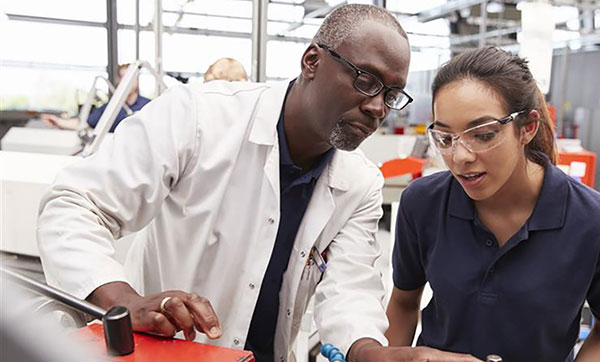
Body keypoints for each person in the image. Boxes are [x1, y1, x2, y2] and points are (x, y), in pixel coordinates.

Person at [38, 4, 475, 362]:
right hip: (166, 353)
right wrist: (124, 301)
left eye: (392, 94)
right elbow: (75, 204)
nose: (378, 107)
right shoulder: (198, 118)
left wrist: (370, 351)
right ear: (312, 61)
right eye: (366, 80)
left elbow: (350, 292)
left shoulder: (359, 183)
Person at [386, 47, 600, 362]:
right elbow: (403, 302)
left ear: (528, 127)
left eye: (483, 134)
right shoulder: (423, 203)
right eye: (445, 138)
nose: (461, 156)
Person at [41, 64, 150, 133]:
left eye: (130, 77)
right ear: (118, 80)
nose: (128, 82)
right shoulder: (110, 107)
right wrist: (58, 121)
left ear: (137, 79)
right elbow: (83, 124)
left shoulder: (149, 106)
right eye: (124, 77)